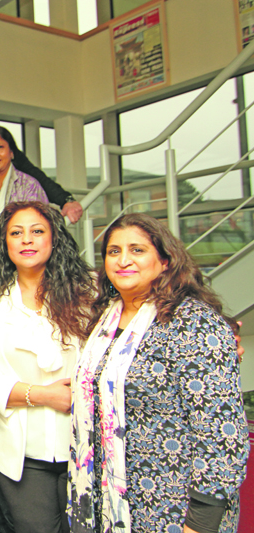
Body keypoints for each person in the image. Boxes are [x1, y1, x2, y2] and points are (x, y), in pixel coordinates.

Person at [70, 213, 249, 533]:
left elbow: (222, 435)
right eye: (114, 251)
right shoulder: (105, 319)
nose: (124, 260)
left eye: (137, 250)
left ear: (165, 261)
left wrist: (199, 524)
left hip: (175, 512)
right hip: (108, 505)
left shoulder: (193, 323)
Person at [0, 202, 94, 533]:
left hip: (86, 448)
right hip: (20, 457)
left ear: (54, 238)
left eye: (37, 231)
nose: (27, 240)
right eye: (16, 233)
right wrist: (44, 395)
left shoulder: (89, 294)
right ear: (4, 244)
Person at [0, 126, 49, 245]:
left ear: (11, 152)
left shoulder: (28, 185)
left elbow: (40, 230)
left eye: (0, 147)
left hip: (16, 257)